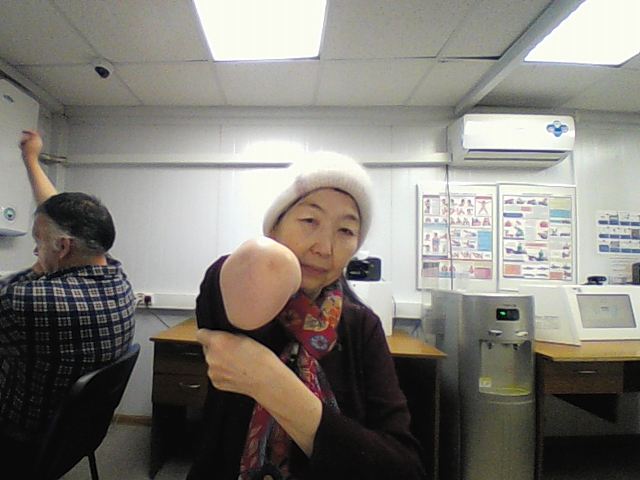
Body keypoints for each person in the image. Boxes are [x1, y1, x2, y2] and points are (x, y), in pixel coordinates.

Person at [188, 153, 426, 480]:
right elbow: (250, 267)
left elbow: (405, 469)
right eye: (310, 221)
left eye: (345, 230)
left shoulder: (362, 327)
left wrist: (272, 383)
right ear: (275, 226)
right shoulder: (239, 290)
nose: (325, 248)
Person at [0, 130, 136, 472]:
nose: (35, 250)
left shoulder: (25, 301)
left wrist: (39, 265)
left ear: (62, 247)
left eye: (38, 241)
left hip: (18, 440)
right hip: (72, 438)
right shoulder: (117, 278)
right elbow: (62, 214)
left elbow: (13, 293)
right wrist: (31, 160)